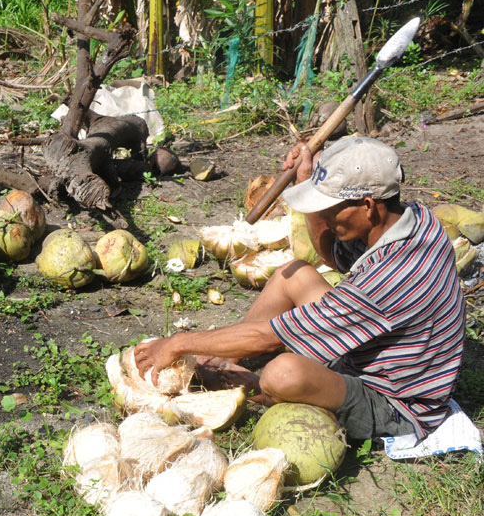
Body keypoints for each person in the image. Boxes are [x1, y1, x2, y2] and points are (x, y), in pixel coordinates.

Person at [135, 136, 465, 440]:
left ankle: (247, 388)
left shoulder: (392, 278)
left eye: (330, 208)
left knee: (282, 373)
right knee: (294, 273)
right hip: (380, 347)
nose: (325, 216)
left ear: (367, 205)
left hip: (397, 401)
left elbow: (270, 335)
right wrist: (307, 181)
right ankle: (219, 361)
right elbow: (331, 255)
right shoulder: (414, 217)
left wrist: (179, 342)